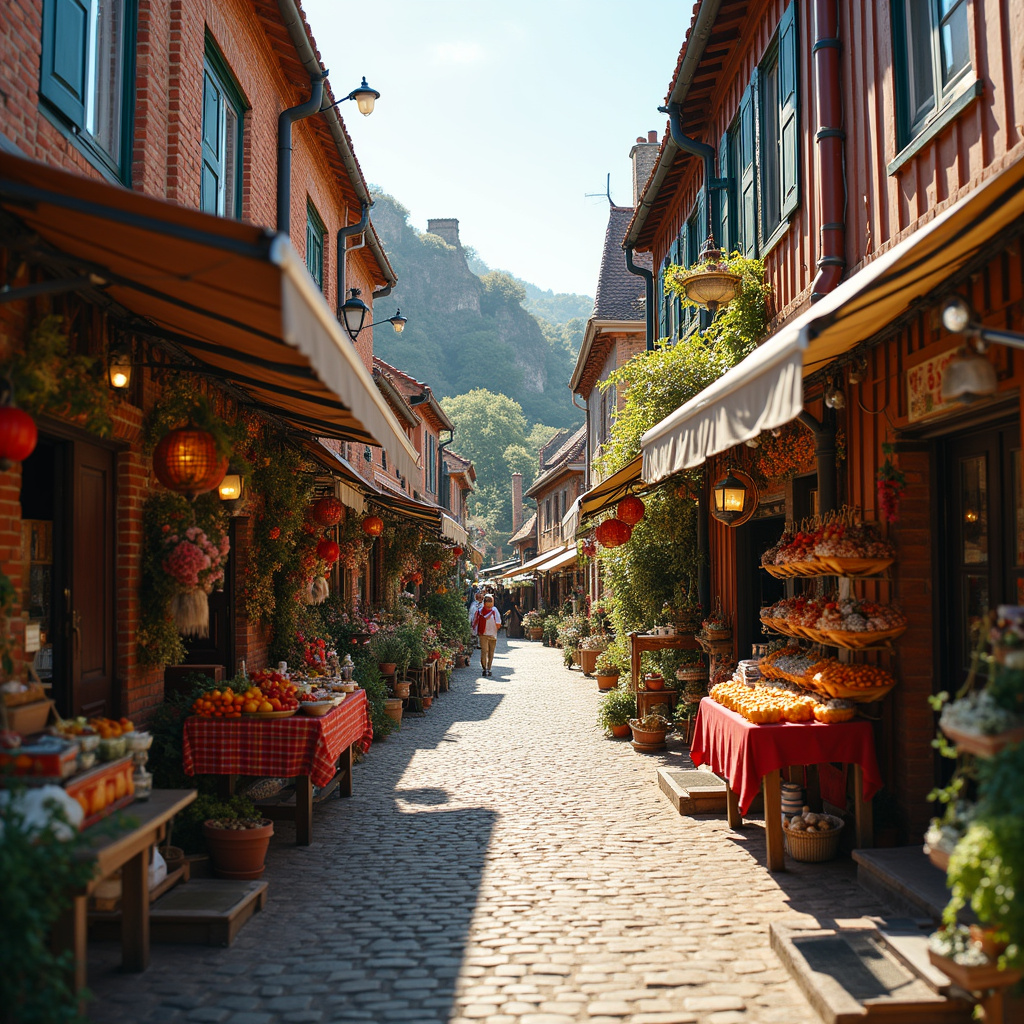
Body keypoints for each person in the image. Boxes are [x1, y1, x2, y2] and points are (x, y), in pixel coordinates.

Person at [472, 593, 502, 676]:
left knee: (491, 652)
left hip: (492, 635)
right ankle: (485, 668)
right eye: (487, 601)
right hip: (483, 634)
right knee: (484, 651)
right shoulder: (480, 610)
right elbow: (476, 621)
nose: (489, 603)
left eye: (490, 601)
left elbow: (498, 622)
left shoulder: (494, 610)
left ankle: (489, 668)